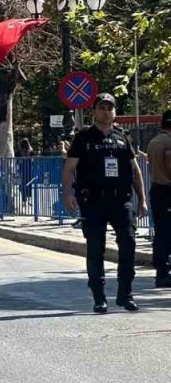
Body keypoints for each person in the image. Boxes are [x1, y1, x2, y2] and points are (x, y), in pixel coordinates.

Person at [63, 93, 147, 312]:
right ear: (94, 112)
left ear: (115, 112)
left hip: (121, 200)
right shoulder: (83, 138)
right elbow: (69, 168)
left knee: (128, 244)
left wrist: (142, 200)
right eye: (102, 108)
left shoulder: (122, 137)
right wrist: (68, 193)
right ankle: (99, 297)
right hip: (93, 201)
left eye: (110, 108)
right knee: (95, 249)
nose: (106, 112)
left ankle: (125, 294)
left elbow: (135, 170)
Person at [147, 110, 171, 288]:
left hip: (157, 189)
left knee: (161, 232)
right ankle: (164, 273)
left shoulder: (154, 142)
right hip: (169, 189)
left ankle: (161, 271)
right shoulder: (169, 143)